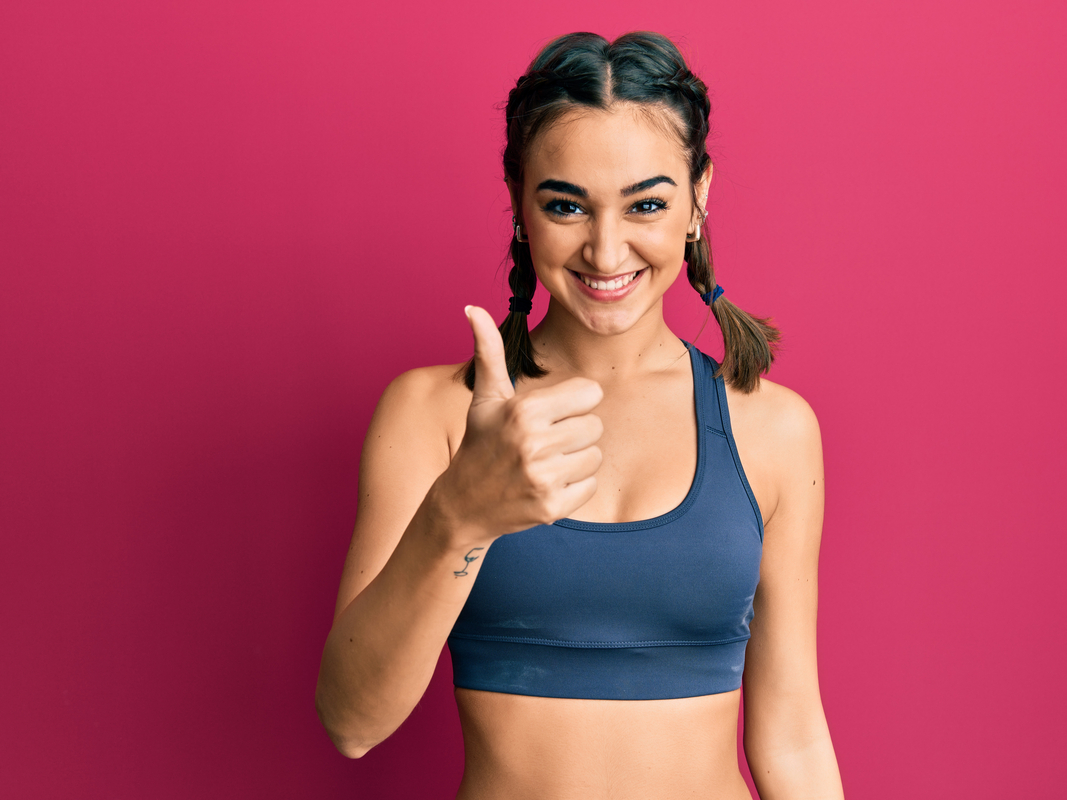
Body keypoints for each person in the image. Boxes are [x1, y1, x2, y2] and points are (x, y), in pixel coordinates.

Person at [315, 31, 844, 800]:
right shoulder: (432, 414)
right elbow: (351, 720)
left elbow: (792, 735)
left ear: (699, 198)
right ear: (519, 199)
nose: (605, 250)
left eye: (647, 205)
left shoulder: (775, 430)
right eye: (566, 204)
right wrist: (459, 514)